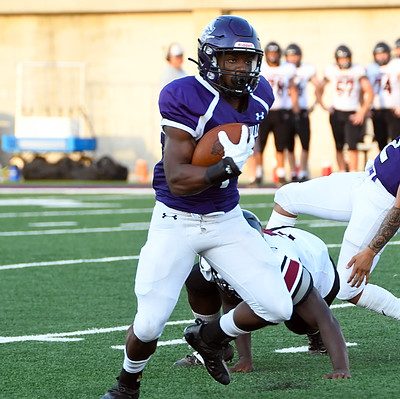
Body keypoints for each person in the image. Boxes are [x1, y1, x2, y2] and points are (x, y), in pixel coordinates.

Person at [101, 15, 293, 399]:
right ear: (209, 58)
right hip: (177, 219)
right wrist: (225, 166)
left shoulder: (260, 98)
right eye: (230, 59)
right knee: (151, 322)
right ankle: (126, 384)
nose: (240, 68)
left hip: (227, 218)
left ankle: (207, 336)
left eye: (246, 59)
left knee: (277, 306)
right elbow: (177, 178)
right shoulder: (184, 96)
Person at [176, 210, 350, 379]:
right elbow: (232, 305)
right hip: (275, 253)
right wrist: (245, 358)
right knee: (196, 278)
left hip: (318, 267)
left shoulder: (283, 264)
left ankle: (314, 335)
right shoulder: (213, 260)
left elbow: (326, 319)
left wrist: (341, 368)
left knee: (299, 323)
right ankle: (212, 342)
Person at [267, 136, 400, 320]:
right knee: (287, 198)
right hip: (367, 179)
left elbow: (398, 210)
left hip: (381, 202)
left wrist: (370, 251)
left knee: (347, 288)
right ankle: (272, 266)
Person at [318, 45, 373, 172]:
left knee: (352, 146)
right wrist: (323, 105)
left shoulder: (357, 70)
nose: (344, 61)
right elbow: (319, 88)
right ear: (337, 59)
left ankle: (353, 173)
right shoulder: (331, 70)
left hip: (352, 112)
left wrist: (362, 112)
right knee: (338, 146)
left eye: (346, 58)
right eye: (341, 59)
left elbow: (369, 92)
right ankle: (342, 172)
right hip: (336, 112)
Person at [251, 42, 300, 186]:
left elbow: (293, 88)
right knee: (259, 145)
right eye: (270, 53)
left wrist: (295, 108)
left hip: (281, 111)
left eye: (275, 53)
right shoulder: (260, 68)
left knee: (281, 145)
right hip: (263, 111)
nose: (273, 56)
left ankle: (280, 173)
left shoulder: (287, 68)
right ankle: (258, 174)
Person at [284, 43, 320, 181]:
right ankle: (293, 171)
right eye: (290, 55)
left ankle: (303, 171)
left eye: (295, 55)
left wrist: (315, 103)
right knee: (289, 144)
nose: (292, 58)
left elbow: (318, 85)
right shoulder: (283, 69)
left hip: (303, 110)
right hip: (287, 110)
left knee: (305, 142)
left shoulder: (306, 69)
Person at [366, 42, 400, 150]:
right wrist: (367, 107)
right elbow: (365, 90)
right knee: (381, 141)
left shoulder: (395, 64)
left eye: (383, 53)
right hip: (377, 109)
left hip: (393, 109)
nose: (381, 56)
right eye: (378, 54)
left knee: (396, 141)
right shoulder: (370, 68)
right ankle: (385, 166)